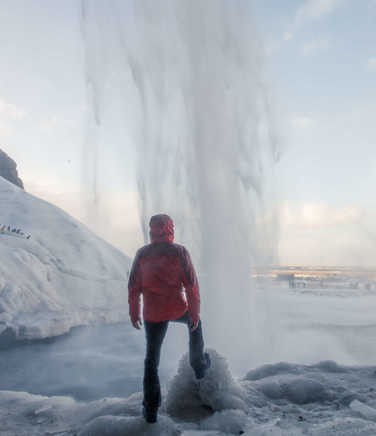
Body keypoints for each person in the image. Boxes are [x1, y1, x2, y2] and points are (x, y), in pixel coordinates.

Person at [128, 214, 210, 423]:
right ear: (170, 229)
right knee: (196, 326)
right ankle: (198, 366)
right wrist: (194, 313)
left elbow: (133, 287)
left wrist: (134, 312)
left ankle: (151, 409)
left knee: (151, 361)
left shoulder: (142, 253)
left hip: (152, 314)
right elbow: (191, 286)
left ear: (152, 230)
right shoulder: (180, 252)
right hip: (176, 308)